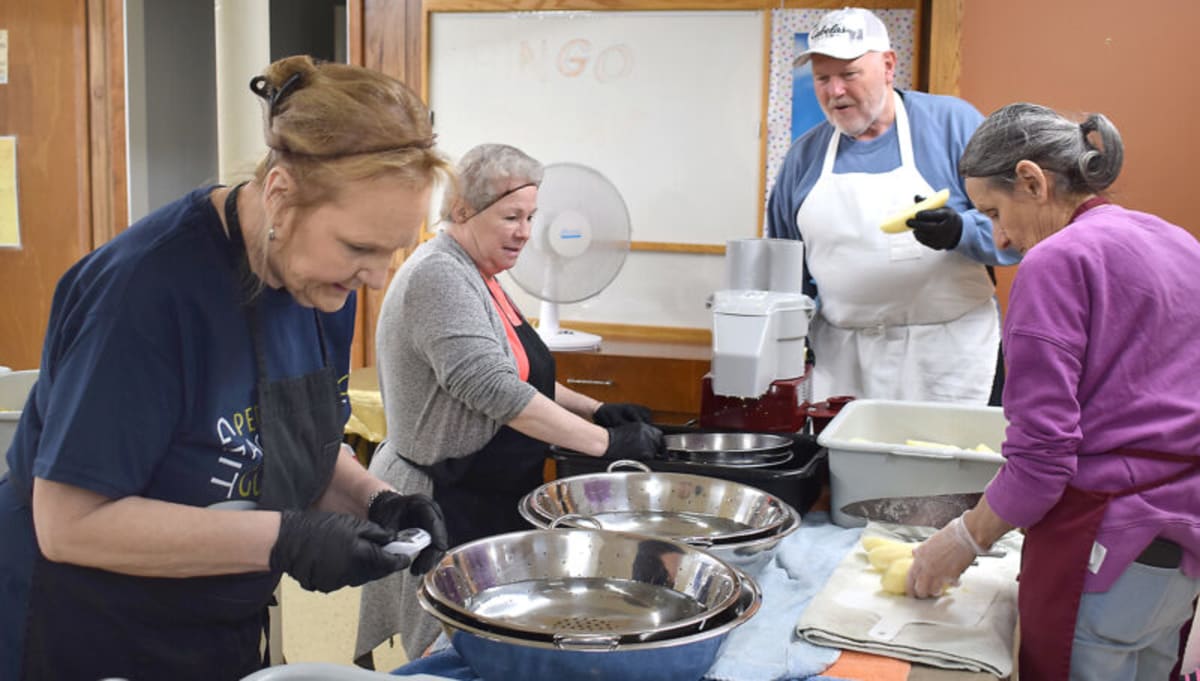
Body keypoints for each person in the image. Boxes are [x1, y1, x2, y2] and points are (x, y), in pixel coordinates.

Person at [0, 55, 453, 681]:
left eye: (394, 251)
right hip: (88, 628)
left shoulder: (318, 285)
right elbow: (69, 525)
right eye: (360, 248)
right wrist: (284, 539)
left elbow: (298, 446)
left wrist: (378, 500)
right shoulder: (144, 295)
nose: (377, 278)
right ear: (280, 194)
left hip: (215, 618)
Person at [907, 103, 1200, 680]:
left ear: (1032, 181)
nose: (1001, 237)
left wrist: (962, 539)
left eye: (993, 211)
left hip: (1102, 548)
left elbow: (1042, 461)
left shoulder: (1056, 262)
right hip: (1180, 552)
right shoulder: (1179, 244)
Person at [356, 143, 663, 664]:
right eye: (511, 217)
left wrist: (593, 409)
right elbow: (490, 387)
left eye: (531, 217)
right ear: (462, 212)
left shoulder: (482, 275)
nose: (526, 231)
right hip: (443, 496)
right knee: (451, 654)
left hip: (485, 491)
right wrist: (604, 443)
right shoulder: (439, 276)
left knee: (494, 642)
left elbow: (517, 368)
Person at [766, 7, 1020, 405]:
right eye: (822, 78)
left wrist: (961, 232)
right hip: (842, 360)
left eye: (849, 75)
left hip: (950, 356)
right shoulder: (804, 158)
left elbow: (1020, 227)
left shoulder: (953, 125)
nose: (835, 91)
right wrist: (791, 337)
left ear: (887, 66)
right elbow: (783, 268)